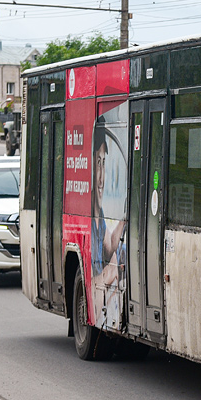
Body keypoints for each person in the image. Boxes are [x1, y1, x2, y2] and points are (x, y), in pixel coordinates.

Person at [90, 122, 126, 329]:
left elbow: (109, 246)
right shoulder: (86, 219)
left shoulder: (99, 216)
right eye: (97, 163)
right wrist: (109, 272)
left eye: (104, 163)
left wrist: (125, 216)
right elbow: (92, 285)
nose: (102, 176)